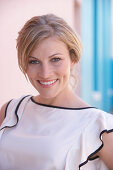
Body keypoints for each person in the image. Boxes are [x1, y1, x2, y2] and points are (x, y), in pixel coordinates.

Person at [0, 14, 113, 170]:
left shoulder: (100, 125)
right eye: (34, 61)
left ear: (73, 58)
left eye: (55, 59)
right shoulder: (10, 110)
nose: (45, 73)